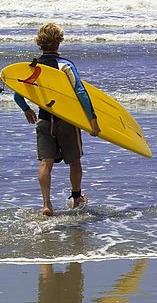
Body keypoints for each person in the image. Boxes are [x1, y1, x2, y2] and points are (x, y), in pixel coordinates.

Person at [13, 23, 100, 216]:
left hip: (44, 120)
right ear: (59, 41)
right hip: (66, 121)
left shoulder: (32, 68)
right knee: (75, 161)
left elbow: (17, 94)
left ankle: (47, 204)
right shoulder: (65, 65)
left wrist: (26, 109)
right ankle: (76, 198)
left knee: (46, 162)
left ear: (39, 42)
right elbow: (80, 91)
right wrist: (92, 119)